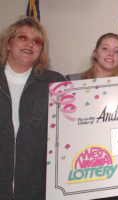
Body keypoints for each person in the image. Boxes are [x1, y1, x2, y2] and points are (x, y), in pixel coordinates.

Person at [0, 16, 66, 199]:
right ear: (7, 44)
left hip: (38, 189)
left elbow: (77, 126)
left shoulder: (56, 83)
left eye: (36, 41)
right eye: (22, 37)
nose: (29, 44)